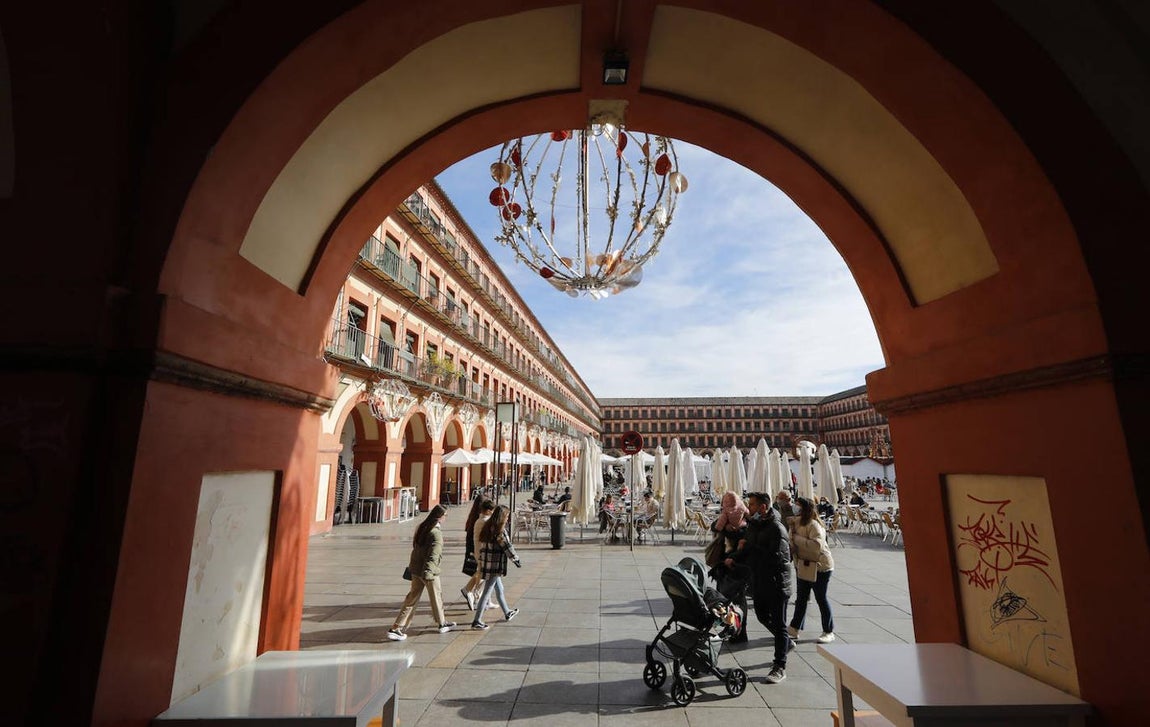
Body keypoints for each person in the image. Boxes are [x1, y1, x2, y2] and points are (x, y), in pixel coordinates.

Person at [726, 491, 793, 683]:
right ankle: (785, 641)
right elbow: (747, 548)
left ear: (763, 507)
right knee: (762, 616)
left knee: (779, 624)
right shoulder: (755, 525)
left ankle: (779, 666)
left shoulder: (777, 528)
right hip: (760, 580)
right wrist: (733, 558)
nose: (749, 508)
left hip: (777, 582)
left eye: (753, 505)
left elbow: (775, 557)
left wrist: (748, 550)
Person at [388, 504, 455, 640]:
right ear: (439, 517)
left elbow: (416, 548)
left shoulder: (422, 527)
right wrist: (429, 573)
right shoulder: (436, 533)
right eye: (445, 515)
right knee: (436, 597)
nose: (446, 518)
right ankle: (442, 624)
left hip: (416, 569)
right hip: (428, 571)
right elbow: (434, 556)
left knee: (412, 598)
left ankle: (397, 627)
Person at [787, 497, 836, 644]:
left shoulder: (814, 525)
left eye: (798, 505)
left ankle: (828, 631)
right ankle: (794, 628)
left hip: (821, 566)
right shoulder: (794, 523)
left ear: (805, 509)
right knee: (801, 598)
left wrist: (796, 538)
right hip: (803, 564)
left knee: (821, 598)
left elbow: (816, 545)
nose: (795, 507)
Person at [472, 505, 521, 630]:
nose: (508, 518)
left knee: (500, 588)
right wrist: (515, 558)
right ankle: (477, 620)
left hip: (487, 563)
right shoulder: (499, 531)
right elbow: (507, 546)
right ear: (502, 517)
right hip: (494, 565)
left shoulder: (488, 527)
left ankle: (507, 612)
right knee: (487, 592)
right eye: (507, 516)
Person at [460, 498, 494, 611]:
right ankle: (473, 593)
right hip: (481, 551)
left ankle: (482, 598)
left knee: (482, 573)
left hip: (477, 550)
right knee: (483, 573)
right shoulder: (483, 521)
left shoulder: (475, 517)